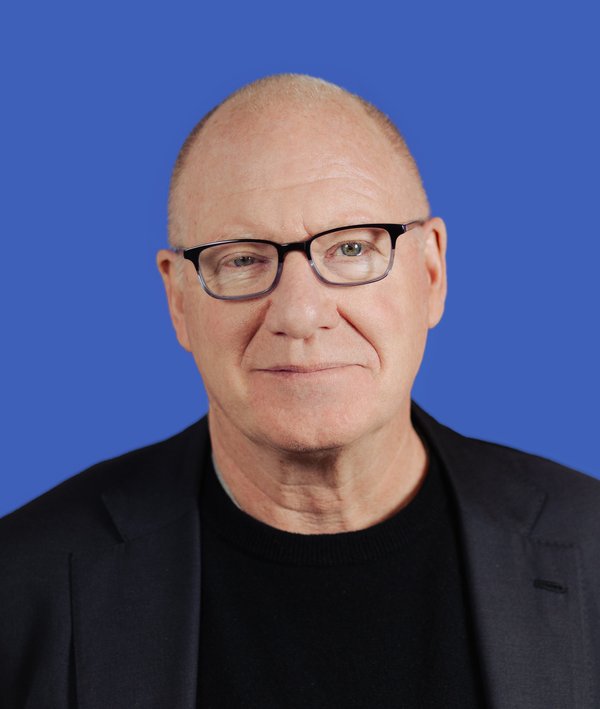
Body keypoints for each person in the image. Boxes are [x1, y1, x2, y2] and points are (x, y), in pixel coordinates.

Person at [1, 74, 598, 708]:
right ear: (178, 298)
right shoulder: (22, 586)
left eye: (350, 248)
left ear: (432, 271)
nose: (300, 313)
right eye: (241, 259)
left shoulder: (588, 545)